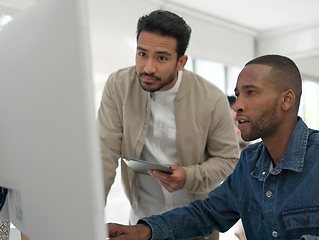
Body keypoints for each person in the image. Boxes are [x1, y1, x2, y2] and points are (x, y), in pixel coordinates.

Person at [107, 54, 319, 240]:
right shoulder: (249, 163)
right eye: (237, 94)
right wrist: (144, 230)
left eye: (251, 93)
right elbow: (207, 213)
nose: (238, 105)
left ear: (286, 100)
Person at [97, 9, 240, 240]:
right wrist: (88, 218)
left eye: (161, 58)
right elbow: (103, 154)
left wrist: (189, 176)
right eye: (142, 54)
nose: (148, 67)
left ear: (181, 61)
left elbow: (228, 161)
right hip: (140, 225)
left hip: (196, 228)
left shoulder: (211, 98)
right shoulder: (118, 86)